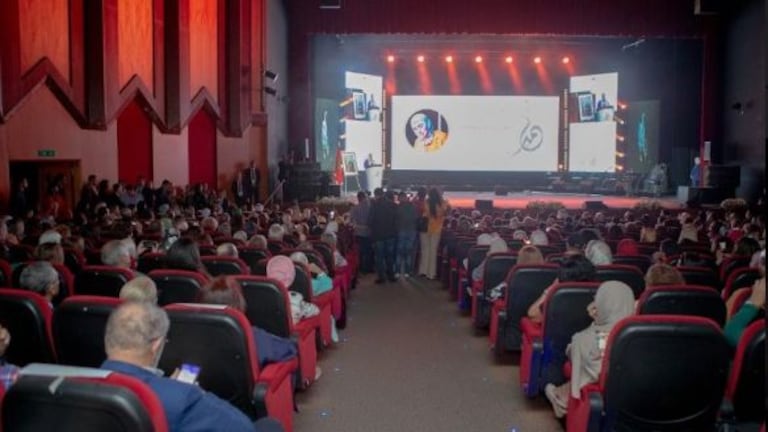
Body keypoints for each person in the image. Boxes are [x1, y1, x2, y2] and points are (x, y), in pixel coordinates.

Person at [100, 302, 284, 432]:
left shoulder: (83, 383)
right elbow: (243, 427)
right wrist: (184, 391)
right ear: (156, 344)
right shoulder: (182, 397)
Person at [544, 281, 635, 418]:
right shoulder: (636, 335)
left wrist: (595, 323)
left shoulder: (586, 339)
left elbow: (571, 352)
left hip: (603, 387)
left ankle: (562, 398)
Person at [527, 254, 597, 323]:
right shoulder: (599, 294)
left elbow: (533, 315)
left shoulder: (559, 296)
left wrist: (551, 289)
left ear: (559, 280)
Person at [418, 188, 450, 280]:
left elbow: (423, 212)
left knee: (425, 250)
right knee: (433, 251)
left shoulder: (426, 203)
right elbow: (446, 212)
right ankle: (431, 273)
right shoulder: (443, 204)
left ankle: (423, 271)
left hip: (425, 229)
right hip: (436, 230)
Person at [368, 188, 398, 283]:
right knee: (390, 256)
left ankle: (381, 277)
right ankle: (391, 275)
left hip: (378, 236)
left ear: (376, 195)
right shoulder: (392, 205)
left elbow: (370, 221)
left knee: (379, 257)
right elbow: (396, 220)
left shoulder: (374, 205)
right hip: (391, 235)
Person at [395, 191, 418, 278]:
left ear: (402, 197)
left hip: (401, 231)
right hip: (412, 231)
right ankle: (407, 272)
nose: (398, 200)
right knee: (408, 252)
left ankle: (397, 271)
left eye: (399, 198)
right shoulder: (413, 207)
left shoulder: (398, 207)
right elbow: (416, 218)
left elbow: (396, 219)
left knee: (399, 252)